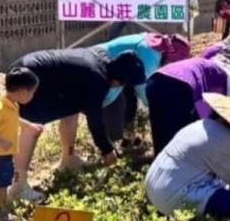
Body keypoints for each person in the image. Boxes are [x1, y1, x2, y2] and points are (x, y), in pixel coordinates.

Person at [11, 48, 146, 201]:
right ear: (120, 80)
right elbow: (95, 120)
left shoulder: (103, 60)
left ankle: (69, 159)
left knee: (71, 107)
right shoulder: (98, 79)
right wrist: (107, 150)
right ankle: (18, 185)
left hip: (30, 66)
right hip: (30, 76)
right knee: (33, 127)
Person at [145, 93, 230, 219]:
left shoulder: (203, 123)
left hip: (153, 183)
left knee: (220, 184)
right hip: (171, 195)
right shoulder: (229, 140)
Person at [97, 33, 191, 143]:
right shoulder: (150, 54)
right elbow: (144, 91)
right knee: (113, 103)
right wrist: (161, 107)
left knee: (129, 99)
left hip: (118, 68)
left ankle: (126, 135)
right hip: (102, 66)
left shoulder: (159, 43)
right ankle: (110, 142)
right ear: (169, 55)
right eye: (173, 62)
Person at [0, 68, 40, 221]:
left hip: (1, 154)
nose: (33, 96)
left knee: (3, 182)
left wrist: (29, 125)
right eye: (32, 92)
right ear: (23, 92)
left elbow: (14, 119)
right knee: (1, 185)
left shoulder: (11, 104)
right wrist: (2, 142)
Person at [145, 56, 230, 156]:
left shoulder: (210, 66)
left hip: (154, 80)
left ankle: (159, 164)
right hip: (180, 84)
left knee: (160, 130)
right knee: (184, 137)